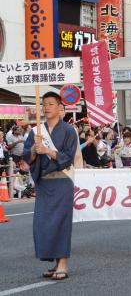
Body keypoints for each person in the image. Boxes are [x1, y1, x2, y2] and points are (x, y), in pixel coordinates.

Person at [22, 92, 79, 280]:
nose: (46, 107)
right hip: (44, 182)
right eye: (44, 104)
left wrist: (47, 150)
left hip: (62, 180)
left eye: (51, 104)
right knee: (43, 223)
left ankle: (63, 262)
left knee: (60, 222)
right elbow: (27, 158)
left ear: (60, 107)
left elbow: (68, 157)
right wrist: (33, 150)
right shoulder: (36, 131)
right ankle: (55, 262)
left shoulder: (69, 130)